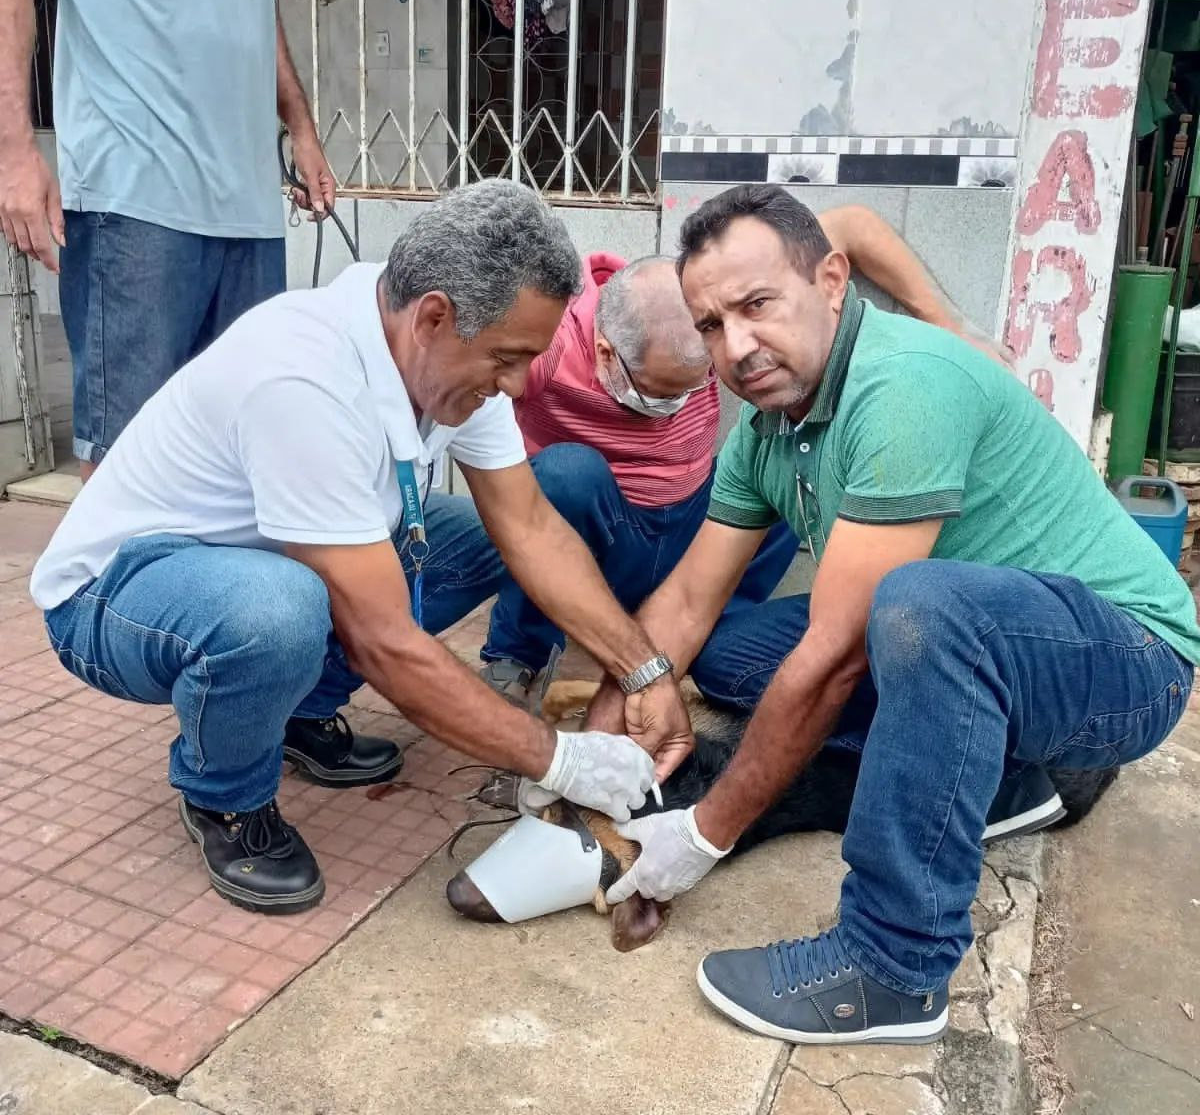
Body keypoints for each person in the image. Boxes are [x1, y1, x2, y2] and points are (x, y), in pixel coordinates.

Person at [596, 184, 1199, 1045]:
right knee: (732, 655)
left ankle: (893, 970)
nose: (737, 346)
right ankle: (1003, 785)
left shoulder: (904, 386)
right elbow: (688, 601)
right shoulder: (767, 427)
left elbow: (840, 655)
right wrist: (586, 750)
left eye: (757, 306)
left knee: (914, 608)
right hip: (994, 646)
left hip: (1123, 660)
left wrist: (705, 832)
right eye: (710, 327)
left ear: (832, 281)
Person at [30, 181, 684, 915]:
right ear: (434, 316)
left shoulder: (445, 355)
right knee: (280, 611)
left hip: (266, 566)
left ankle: (299, 711)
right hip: (116, 595)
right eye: (509, 357)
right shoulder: (303, 376)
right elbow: (384, 642)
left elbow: (530, 527)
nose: (520, 382)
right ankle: (226, 800)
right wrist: (560, 759)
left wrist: (645, 672)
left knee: (500, 526)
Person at [479, 208, 995, 706]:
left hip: (695, 528)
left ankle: (723, 631)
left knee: (791, 454)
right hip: (614, 543)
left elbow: (855, 226)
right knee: (565, 475)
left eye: (694, 384)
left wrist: (948, 328)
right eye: (661, 393)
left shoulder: (709, 290)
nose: (673, 408)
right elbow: (474, 372)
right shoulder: (549, 347)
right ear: (608, 354)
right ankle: (519, 658)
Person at [0, 0, 334, 481]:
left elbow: (253, 0)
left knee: (238, 456)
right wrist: (13, 152)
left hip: (248, 202)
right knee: (127, 460)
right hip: (133, 190)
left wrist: (300, 123)